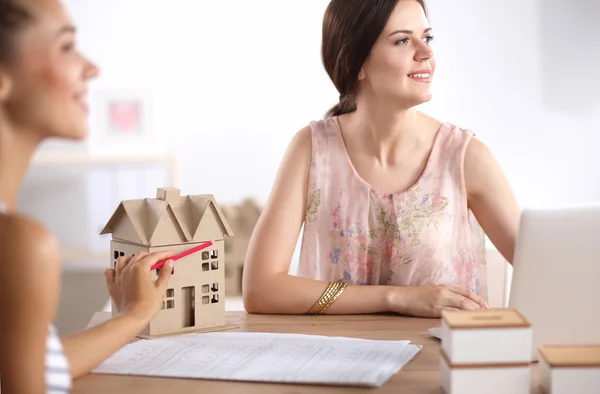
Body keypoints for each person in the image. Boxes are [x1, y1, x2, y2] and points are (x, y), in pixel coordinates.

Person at [242, 0, 521, 318]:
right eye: (403, 40)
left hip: (439, 362)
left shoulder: (465, 157)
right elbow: (260, 289)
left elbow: (549, 267)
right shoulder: (312, 149)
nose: (426, 53)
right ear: (354, 63)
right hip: (336, 362)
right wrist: (395, 298)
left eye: (426, 38)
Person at [0, 0, 176, 392]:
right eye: (66, 46)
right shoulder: (19, 245)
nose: (91, 67)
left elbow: (29, 364)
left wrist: (133, 316)